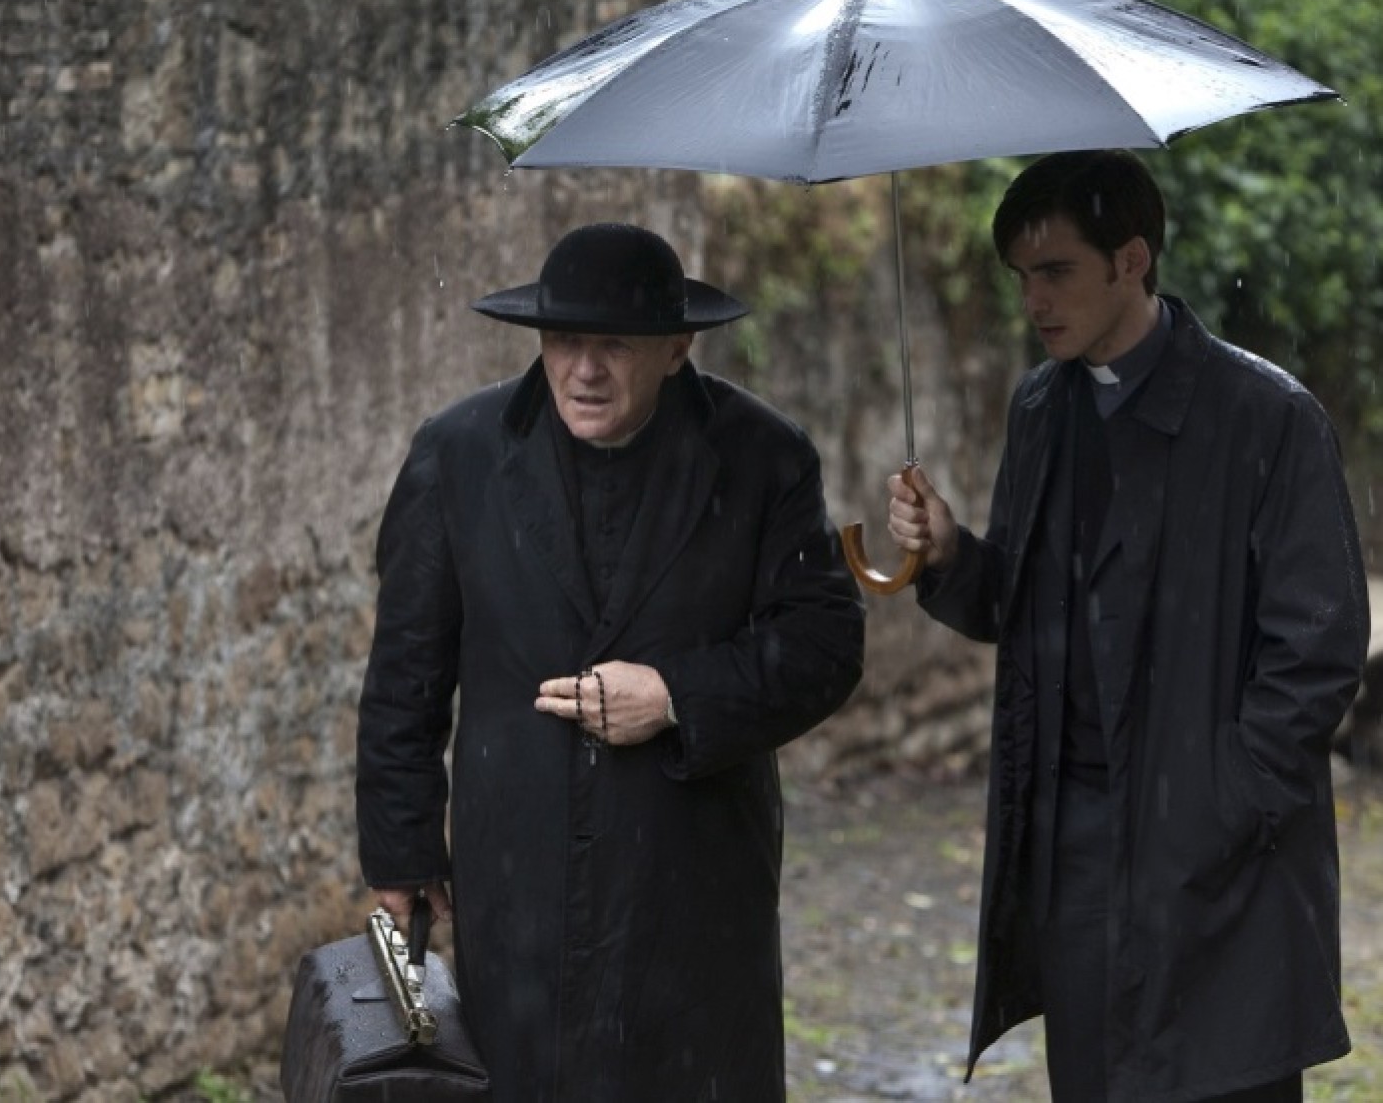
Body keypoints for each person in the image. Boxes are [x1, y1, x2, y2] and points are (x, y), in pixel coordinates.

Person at [886, 150, 1369, 1102]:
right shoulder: (1039, 408)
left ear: (1132, 259)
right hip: (1076, 849)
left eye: (1056, 270)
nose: (1034, 300)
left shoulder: (1266, 416)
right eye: (1021, 276)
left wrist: (1224, 799)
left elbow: (1319, 647)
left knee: (1223, 1083)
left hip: (1225, 855)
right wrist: (950, 554)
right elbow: (1022, 608)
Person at [356, 222, 865, 1102]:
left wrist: (674, 695)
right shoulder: (459, 452)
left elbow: (826, 644)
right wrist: (400, 852)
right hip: (519, 877)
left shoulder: (763, 456)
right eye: (564, 341)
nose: (583, 370)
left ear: (677, 348)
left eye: (614, 346)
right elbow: (406, 671)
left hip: (694, 880)